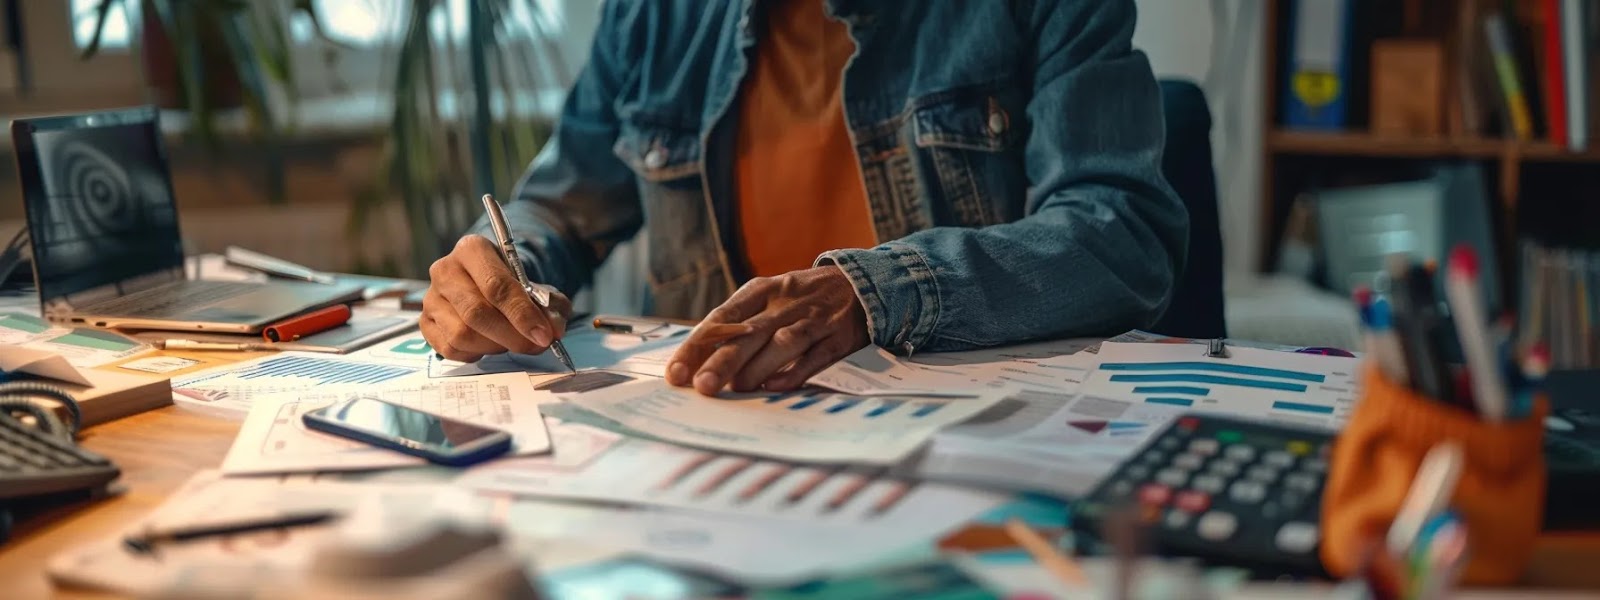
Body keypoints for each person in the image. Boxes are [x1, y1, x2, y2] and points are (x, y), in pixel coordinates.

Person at [420, 0, 1189, 396]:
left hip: (968, 442)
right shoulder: (652, 14)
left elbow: (1120, 229)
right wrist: (498, 270)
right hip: (716, 436)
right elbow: (558, 206)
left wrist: (875, 293)